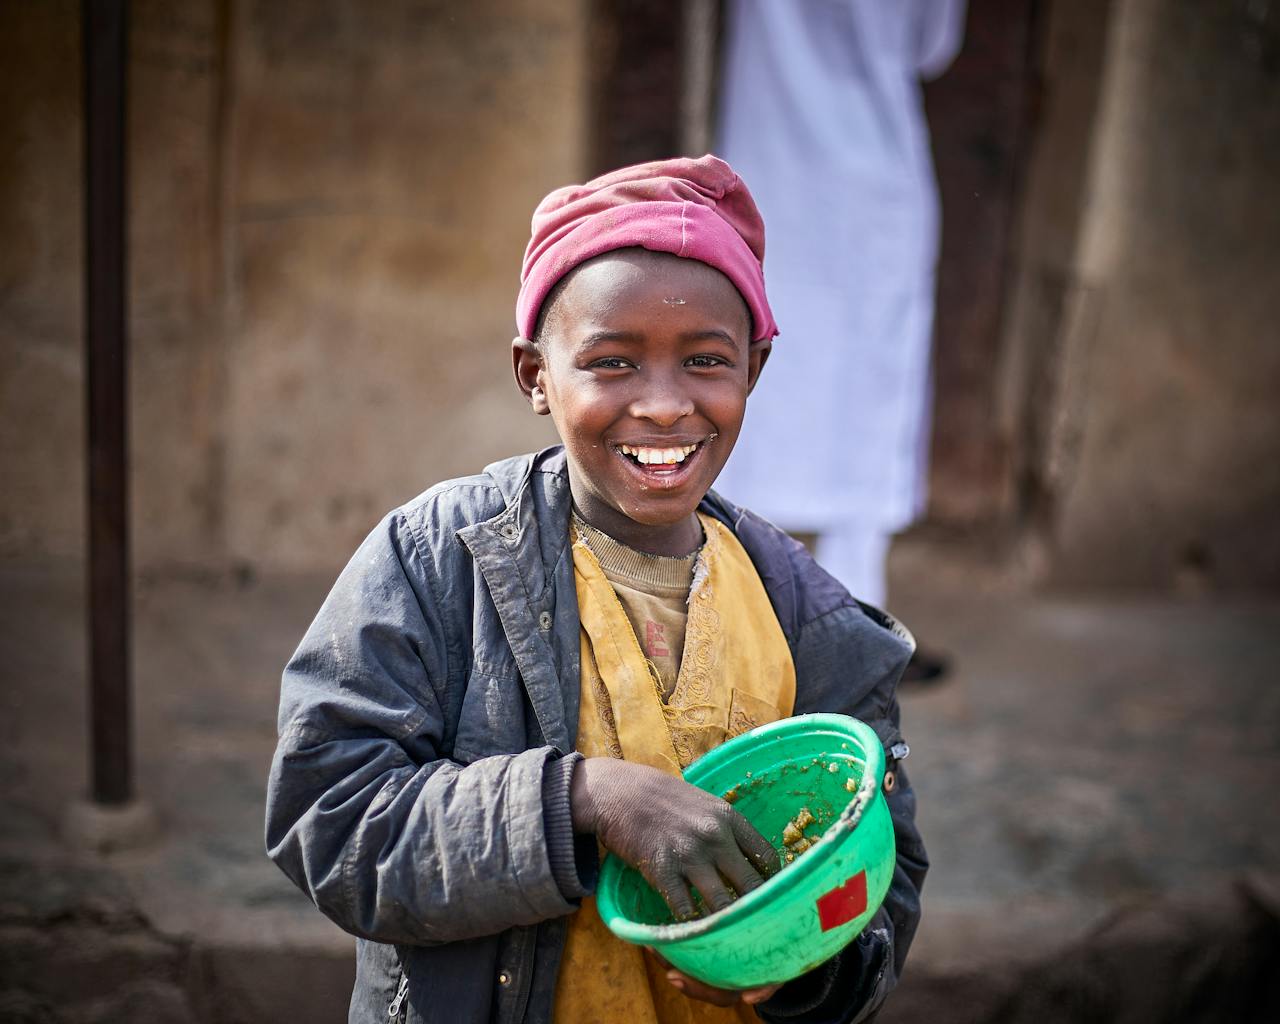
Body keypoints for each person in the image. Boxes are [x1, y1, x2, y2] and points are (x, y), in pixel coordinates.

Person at [265, 156, 926, 1024]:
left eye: (705, 361)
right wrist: (586, 798)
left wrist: (800, 972)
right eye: (611, 363)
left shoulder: (809, 615)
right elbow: (329, 819)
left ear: (753, 372)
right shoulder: (438, 560)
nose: (662, 404)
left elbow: (881, 878)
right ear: (535, 375)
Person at [714, 0, 966, 660]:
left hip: (765, 163)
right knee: (870, 382)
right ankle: (855, 621)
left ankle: (740, 607)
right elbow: (930, 48)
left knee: (753, 356)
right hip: (873, 171)